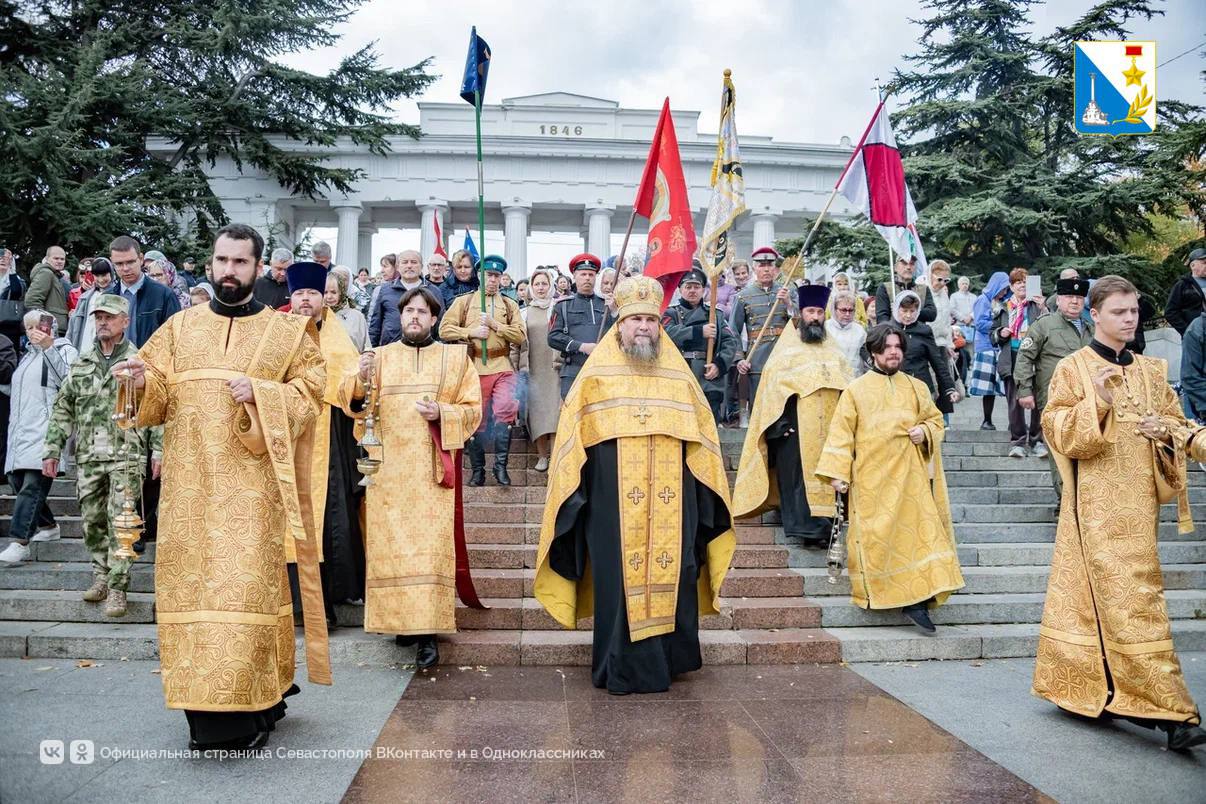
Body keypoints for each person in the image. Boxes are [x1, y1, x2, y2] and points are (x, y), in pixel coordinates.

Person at [112, 222, 329, 751]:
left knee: (245, 593)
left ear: (258, 268)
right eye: (221, 261)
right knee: (192, 595)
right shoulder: (179, 328)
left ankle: (250, 708)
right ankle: (211, 713)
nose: (228, 271)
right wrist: (139, 382)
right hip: (189, 490)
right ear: (210, 264)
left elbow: (312, 392)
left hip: (254, 492)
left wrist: (261, 393)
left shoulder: (286, 334)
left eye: (240, 262)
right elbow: (154, 395)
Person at [534, 274, 736, 695]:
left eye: (650, 319)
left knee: (677, 571)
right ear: (620, 325)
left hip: (673, 502)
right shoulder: (596, 378)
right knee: (616, 580)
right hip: (610, 506)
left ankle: (670, 659)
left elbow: (703, 445)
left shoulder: (679, 378)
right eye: (635, 319)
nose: (643, 326)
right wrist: (577, 499)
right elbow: (573, 447)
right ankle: (618, 665)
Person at [1035, 275, 1206, 753]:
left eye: (1133, 311)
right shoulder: (1073, 368)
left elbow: (1176, 421)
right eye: (1119, 312)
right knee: (1136, 605)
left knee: (1125, 604)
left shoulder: (1152, 371)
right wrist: (1102, 403)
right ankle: (1175, 713)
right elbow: (1060, 432)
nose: (1129, 319)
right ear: (1095, 315)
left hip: (1141, 511)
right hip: (1095, 513)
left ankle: (1108, 689)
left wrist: (1169, 432)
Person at [341, 286, 484, 669]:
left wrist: (442, 413)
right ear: (400, 317)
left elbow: (473, 409)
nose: (415, 317)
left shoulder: (455, 359)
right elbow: (353, 404)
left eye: (422, 312)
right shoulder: (379, 358)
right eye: (409, 312)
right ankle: (400, 622)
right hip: (388, 472)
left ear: (434, 319)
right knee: (392, 550)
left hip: (430, 474)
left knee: (428, 552)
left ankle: (426, 634)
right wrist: (359, 379)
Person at [817, 323, 964, 634]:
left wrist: (923, 431)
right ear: (874, 353)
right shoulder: (856, 390)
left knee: (918, 539)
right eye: (887, 347)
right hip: (871, 481)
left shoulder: (917, 387)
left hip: (911, 480)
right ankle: (883, 594)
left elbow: (935, 421)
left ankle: (918, 601)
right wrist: (837, 474)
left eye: (898, 346)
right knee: (878, 540)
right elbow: (841, 435)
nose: (894, 352)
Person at [43, 295, 159, 616]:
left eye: (109, 317)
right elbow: (63, 407)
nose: (102, 322)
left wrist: (159, 449)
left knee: (121, 521)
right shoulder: (82, 363)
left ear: (125, 321)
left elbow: (155, 406)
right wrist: (52, 449)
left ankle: (119, 587)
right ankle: (101, 576)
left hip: (126, 455)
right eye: (98, 317)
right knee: (93, 520)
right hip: (90, 456)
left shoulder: (140, 361)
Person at [734, 285, 849, 547]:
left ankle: (829, 528)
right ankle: (806, 530)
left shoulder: (835, 352)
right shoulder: (786, 350)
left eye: (820, 311)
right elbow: (771, 392)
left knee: (829, 476)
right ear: (799, 314)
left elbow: (848, 388)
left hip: (831, 429)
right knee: (798, 480)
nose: (816, 317)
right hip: (795, 429)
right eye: (810, 311)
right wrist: (780, 426)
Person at [285, 261, 364, 627]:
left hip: (329, 441)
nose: (305, 300)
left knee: (331, 518)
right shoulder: (277, 333)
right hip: (286, 438)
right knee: (291, 522)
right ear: (291, 296)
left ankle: (327, 604)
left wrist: (362, 380)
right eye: (299, 293)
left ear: (324, 300)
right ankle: (298, 605)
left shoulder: (337, 337)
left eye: (312, 294)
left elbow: (351, 387)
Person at [440, 255, 525, 485]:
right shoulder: (464, 302)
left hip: (502, 366)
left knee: (506, 409)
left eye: (497, 275)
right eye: (489, 274)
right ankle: (478, 470)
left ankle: (501, 468)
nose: (493, 279)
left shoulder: (510, 304)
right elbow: (444, 329)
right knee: (476, 418)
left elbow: (520, 336)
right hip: (474, 367)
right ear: (479, 275)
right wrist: (471, 333)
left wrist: (497, 326)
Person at [0, 310, 75, 567]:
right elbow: (13, 390)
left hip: (47, 430)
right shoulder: (25, 359)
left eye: (38, 326)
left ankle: (19, 542)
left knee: (32, 484)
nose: (33, 331)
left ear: (50, 326)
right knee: (16, 481)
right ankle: (49, 525)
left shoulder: (64, 349)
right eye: (28, 327)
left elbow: (68, 381)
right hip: (21, 430)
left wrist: (48, 348)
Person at [1013, 277, 1093, 510]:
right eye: (1069, 297)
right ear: (1058, 299)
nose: (1075, 302)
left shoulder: (1091, 327)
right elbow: (1025, 357)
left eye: (1079, 298)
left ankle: (1083, 498)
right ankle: (1066, 499)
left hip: (1087, 400)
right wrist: (1025, 390)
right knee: (1059, 450)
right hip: (1054, 399)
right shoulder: (1044, 324)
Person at [661, 269, 736, 422]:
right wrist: (699, 331)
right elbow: (666, 334)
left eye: (696, 287)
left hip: (708, 376)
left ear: (703, 290)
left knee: (709, 424)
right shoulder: (671, 313)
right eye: (688, 287)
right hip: (681, 374)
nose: (692, 291)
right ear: (680, 289)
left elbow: (730, 342)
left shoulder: (715, 315)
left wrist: (719, 364)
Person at [731, 246, 796, 406]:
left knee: (784, 404)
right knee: (759, 404)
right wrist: (739, 358)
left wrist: (788, 304)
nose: (766, 269)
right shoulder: (743, 296)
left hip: (784, 356)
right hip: (757, 358)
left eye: (770, 265)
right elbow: (733, 331)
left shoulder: (789, 291)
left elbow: (800, 325)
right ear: (754, 268)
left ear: (775, 268)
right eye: (761, 265)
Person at [991, 268, 1045, 457]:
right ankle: (1018, 440)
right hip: (1011, 356)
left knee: (1038, 399)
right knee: (1014, 401)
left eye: (1025, 281)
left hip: (1034, 357)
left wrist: (1043, 308)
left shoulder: (1036, 305)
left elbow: (1049, 327)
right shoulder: (1003, 307)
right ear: (1011, 287)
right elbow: (992, 334)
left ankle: (1037, 439)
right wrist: (1000, 333)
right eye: (1017, 282)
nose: (1021, 285)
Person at [548, 253, 612, 399]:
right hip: (573, 371)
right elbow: (553, 337)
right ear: (575, 277)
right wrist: (582, 346)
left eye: (591, 274)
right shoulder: (563, 306)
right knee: (573, 417)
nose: (587, 278)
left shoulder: (607, 305)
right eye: (583, 274)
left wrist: (614, 311)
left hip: (603, 371)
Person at [893, 291, 959, 420]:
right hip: (895, 387)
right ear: (897, 309)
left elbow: (937, 362)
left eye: (912, 311)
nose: (908, 315)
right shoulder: (888, 329)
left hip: (921, 386)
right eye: (904, 311)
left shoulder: (924, 330)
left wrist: (950, 387)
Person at [105, 236, 181, 347]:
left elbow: (175, 340)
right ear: (112, 262)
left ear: (141, 259)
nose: (125, 268)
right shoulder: (107, 298)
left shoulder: (164, 295)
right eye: (119, 264)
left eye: (130, 262)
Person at [518, 269, 560, 472]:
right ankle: (542, 456)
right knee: (537, 414)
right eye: (537, 284)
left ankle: (556, 457)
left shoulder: (559, 308)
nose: (541, 288)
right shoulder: (524, 312)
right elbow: (519, 344)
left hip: (555, 369)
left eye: (544, 283)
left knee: (555, 414)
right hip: (534, 369)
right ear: (531, 288)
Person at [369, 249, 444, 347]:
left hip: (424, 350)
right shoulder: (385, 290)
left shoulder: (433, 291)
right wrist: (372, 349)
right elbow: (376, 324)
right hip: (391, 350)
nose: (409, 266)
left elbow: (441, 323)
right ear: (398, 267)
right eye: (405, 262)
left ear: (421, 267)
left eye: (414, 262)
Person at [969, 271, 1011, 430]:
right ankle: (986, 421)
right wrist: (999, 327)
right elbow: (979, 323)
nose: (1005, 292)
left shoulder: (998, 301)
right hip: (985, 347)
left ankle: (1011, 421)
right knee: (988, 387)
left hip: (997, 345)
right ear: (996, 286)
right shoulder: (982, 300)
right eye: (1003, 288)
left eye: (1007, 289)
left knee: (1002, 385)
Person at [874, 256, 936, 325]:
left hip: (918, 333)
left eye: (912, 264)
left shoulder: (923, 289)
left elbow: (932, 314)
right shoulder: (885, 288)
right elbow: (882, 318)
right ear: (895, 267)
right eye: (904, 263)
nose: (908, 267)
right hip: (894, 332)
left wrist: (909, 310)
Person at [26, 246, 70, 336]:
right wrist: (45, 328)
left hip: (55, 327)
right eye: (56, 258)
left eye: (62, 259)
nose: (59, 261)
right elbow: (32, 301)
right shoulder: (46, 273)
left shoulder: (55, 275)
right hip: (49, 330)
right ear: (47, 259)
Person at [1162, 247, 1206, 336]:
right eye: (1204, 263)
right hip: (1196, 338)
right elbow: (1170, 312)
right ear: (1192, 265)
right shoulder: (1182, 285)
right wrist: (1188, 331)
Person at [825, 290, 867, 377]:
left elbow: (865, 357)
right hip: (832, 379)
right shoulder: (825, 328)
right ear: (834, 309)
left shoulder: (860, 331)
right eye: (843, 310)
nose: (847, 314)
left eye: (851, 310)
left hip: (855, 380)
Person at [324, 270, 368, 352]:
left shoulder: (357, 317)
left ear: (341, 292)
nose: (329, 296)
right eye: (325, 292)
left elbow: (367, 347)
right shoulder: (318, 315)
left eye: (333, 292)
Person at [950, 276, 977, 383]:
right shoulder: (954, 296)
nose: (965, 285)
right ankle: (959, 380)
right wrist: (963, 318)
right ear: (958, 285)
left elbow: (977, 308)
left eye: (966, 283)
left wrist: (970, 317)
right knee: (960, 355)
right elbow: (952, 309)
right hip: (959, 329)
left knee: (971, 354)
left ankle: (969, 382)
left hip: (971, 327)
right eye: (962, 283)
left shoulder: (974, 297)